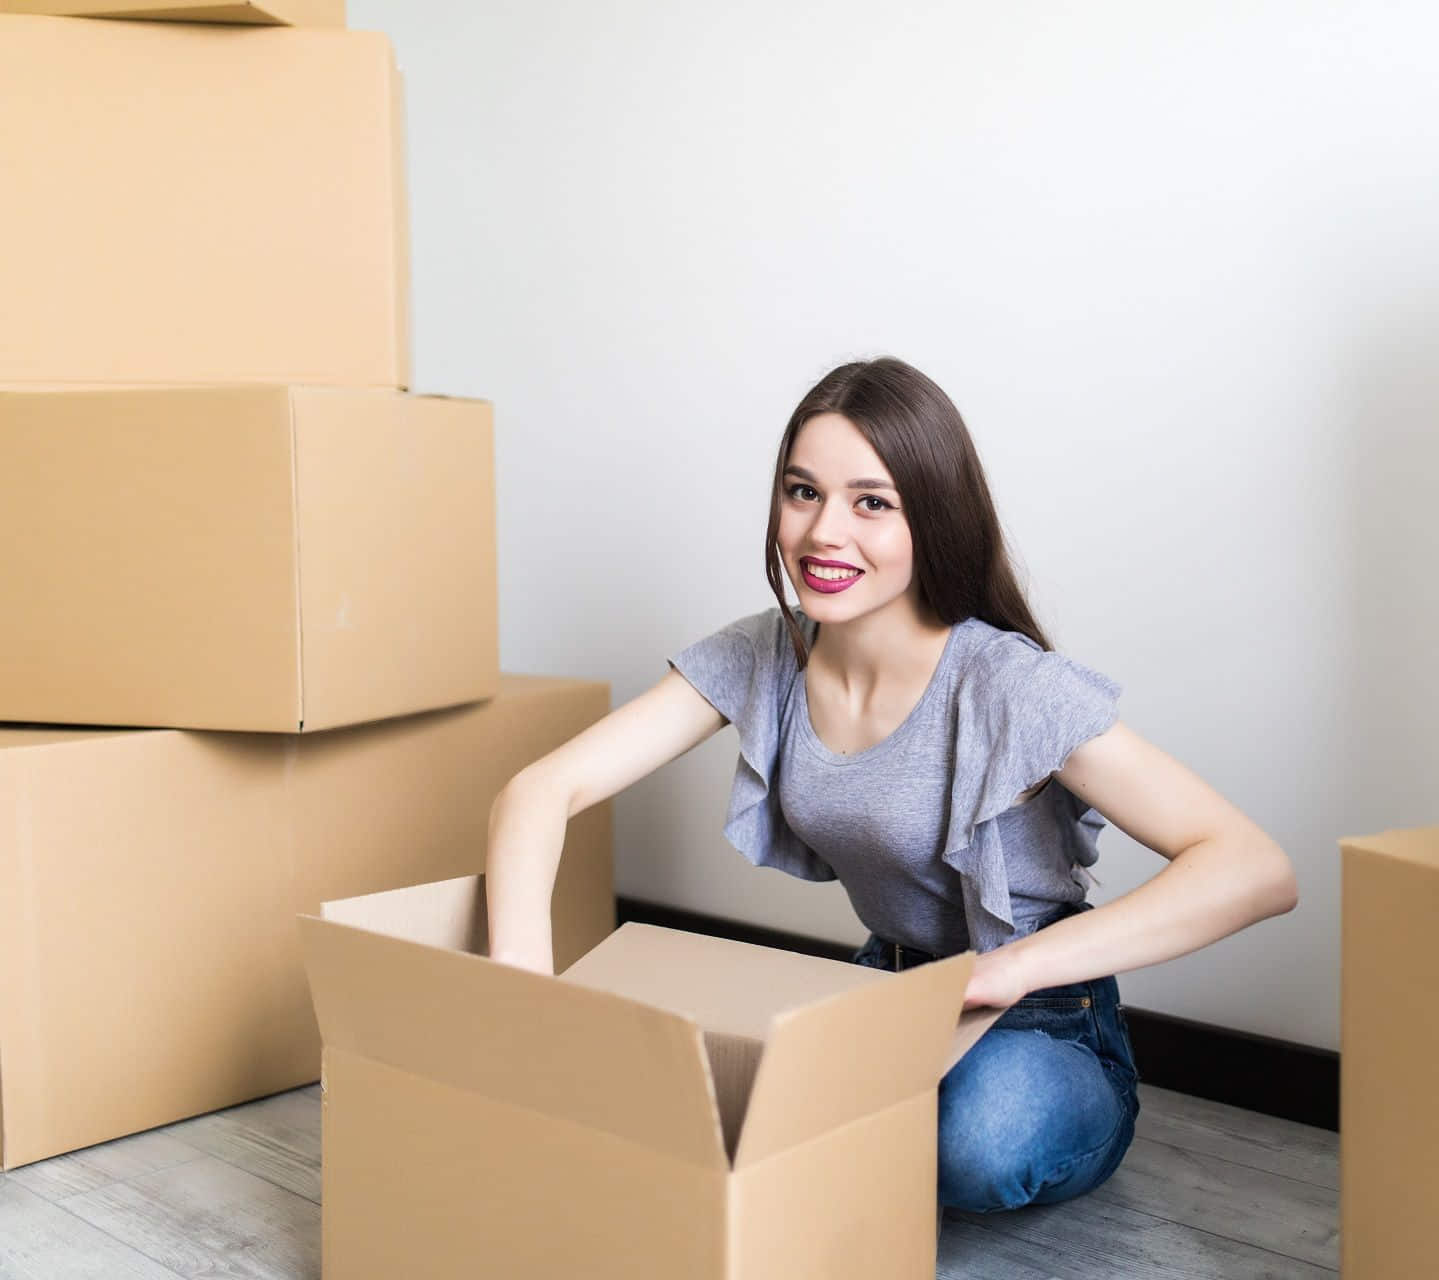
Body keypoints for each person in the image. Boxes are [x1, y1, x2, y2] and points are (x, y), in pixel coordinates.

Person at [484, 355, 1299, 1214]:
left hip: (1041, 1016)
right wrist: (522, 998)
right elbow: (539, 791)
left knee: (978, 1141)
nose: (823, 532)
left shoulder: (1005, 683)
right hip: (886, 993)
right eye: (803, 492)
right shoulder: (771, 653)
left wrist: (1008, 969)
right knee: (697, 1109)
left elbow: (1253, 867)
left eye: (872, 502)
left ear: (933, 519)